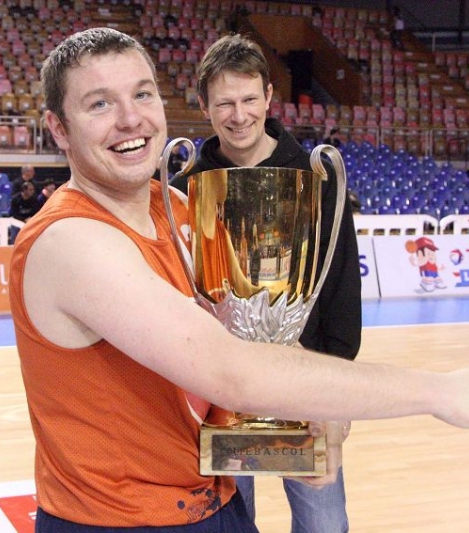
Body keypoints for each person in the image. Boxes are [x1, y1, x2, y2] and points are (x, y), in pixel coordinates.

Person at [9, 27, 469, 533]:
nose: (130, 118)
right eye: (100, 103)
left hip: (213, 501)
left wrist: (314, 415)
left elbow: (252, 332)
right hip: (120, 521)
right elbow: (229, 368)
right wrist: (441, 392)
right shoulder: (69, 240)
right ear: (59, 127)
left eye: (142, 94)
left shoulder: (176, 208)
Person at [171, 33, 361, 531]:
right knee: (233, 523)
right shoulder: (185, 187)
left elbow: (340, 284)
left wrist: (338, 387)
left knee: (324, 524)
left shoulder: (317, 176)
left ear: (269, 96)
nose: (239, 115)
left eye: (249, 99)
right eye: (224, 103)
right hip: (221, 394)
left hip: (306, 386)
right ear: (204, 106)